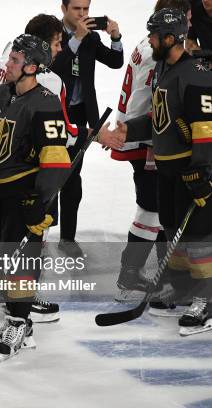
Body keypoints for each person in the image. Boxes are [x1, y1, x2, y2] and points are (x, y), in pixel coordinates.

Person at [100, 8, 212, 336]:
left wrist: (202, 171)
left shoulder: (197, 74)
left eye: (153, 35)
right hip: (167, 166)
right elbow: (158, 119)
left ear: (170, 38)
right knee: (172, 227)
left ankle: (206, 300)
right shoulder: (164, 67)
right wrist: (127, 130)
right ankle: (182, 287)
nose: (149, 41)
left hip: (191, 169)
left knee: (199, 237)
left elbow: (205, 128)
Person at [0, 34, 71, 361]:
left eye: (15, 61)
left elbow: (56, 160)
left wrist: (41, 204)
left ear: (31, 67)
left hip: (25, 195)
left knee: (21, 262)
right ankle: (14, 312)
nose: (7, 64)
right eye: (9, 58)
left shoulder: (45, 102)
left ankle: (20, 320)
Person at [111, 0, 191, 304]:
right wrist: (142, 138)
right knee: (153, 208)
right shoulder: (154, 52)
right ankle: (131, 274)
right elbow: (151, 99)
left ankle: (160, 273)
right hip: (146, 140)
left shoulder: (151, 43)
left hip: (143, 134)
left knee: (160, 208)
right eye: (187, 15)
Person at [52, 0, 124, 256]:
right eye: (76, 9)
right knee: (47, 175)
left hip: (80, 114)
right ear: (63, 9)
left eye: (86, 9)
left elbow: (115, 61)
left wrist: (115, 37)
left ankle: (67, 239)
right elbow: (54, 69)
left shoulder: (91, 37)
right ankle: (34, 234)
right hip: (52, 114)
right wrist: (76, 39)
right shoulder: (52, 34)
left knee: (72, 176)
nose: (82, 14)